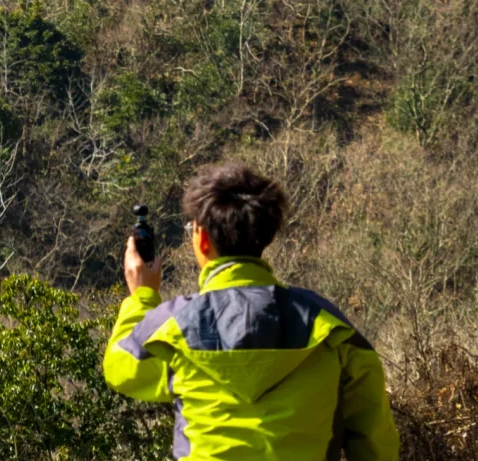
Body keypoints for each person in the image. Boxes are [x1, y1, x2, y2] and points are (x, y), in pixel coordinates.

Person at [104, 161, 399, 460]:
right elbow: (375, 444)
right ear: (268, 236)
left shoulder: (172, 327)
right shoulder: (331, 328)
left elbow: (120, 368)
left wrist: (142, 295)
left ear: (202, 239)